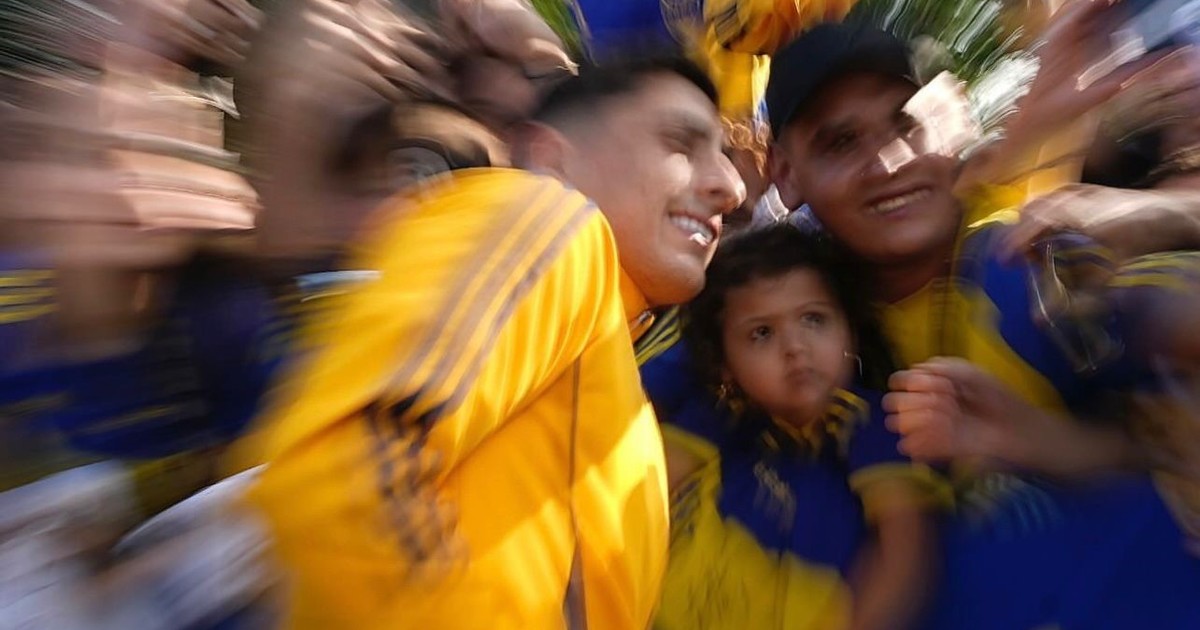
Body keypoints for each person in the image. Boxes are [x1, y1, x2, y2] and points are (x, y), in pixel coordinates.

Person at [230, 57, 743, 629]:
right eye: (680, 143)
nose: (732, 187)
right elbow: (339, 477)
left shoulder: (616, 382)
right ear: (551, 160)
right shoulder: (548, 217)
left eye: (724, 155)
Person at [763, 13, 1200, 630]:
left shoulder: (1029, 259)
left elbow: (1164, 315)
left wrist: (1157, 216)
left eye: (906, 125)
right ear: (784, 173)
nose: (890, 163)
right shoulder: (787, 323)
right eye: (840, 143)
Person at [650, 224, 948, 630]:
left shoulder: (873, 423)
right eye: (762, 333)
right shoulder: (718, 414)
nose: (795, 348)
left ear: (849, 331)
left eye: (814, 319)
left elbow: (904, 556)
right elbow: (647, 491)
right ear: (725, 365)